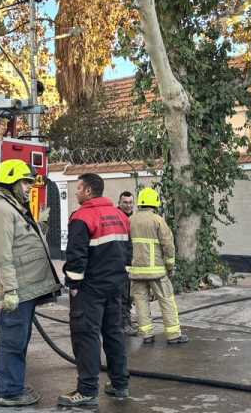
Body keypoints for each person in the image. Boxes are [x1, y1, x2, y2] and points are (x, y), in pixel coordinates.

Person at [0, 159, 61, 407]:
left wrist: (42, 225)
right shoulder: (0, 210)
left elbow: (24, 239)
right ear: (11, 182)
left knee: (17, 340)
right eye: (25, 182)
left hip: (25, 288)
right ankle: (11, 392)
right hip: (17, 290)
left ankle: (5, 385)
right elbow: (2, 255)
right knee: (14, 342)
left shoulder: (13, 206)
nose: (29, 187)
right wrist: (10, 291)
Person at [58, 173, 132, 407]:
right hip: (115, 287)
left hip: (90, 290)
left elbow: (76, 256)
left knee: (86, 337)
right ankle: (120, 385)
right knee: (114, 334)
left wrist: (74, 286)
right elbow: (128, 251)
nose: (76, 192)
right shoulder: (120, 215)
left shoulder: (82, 217)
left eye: (78, 188)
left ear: (88, 191)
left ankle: (88, 391)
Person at [128, 187, 189, 345]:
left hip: (136, 271)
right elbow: (168, 245)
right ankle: (173, 335)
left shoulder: (130, 220)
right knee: (166, 301)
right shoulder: (158, 220)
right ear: (155, 203)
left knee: (140, 302)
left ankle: (146, 335)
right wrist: (170, 266)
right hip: (157, 272)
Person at [117, 191, 138, 336]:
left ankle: (125, 322)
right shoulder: (117, 218)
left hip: (131, 264)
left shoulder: (134, 219)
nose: (128, 205)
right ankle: (123, 324)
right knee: (122, 296)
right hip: (120, 264)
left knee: (128, 296)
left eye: (130, 202)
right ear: (119, 203)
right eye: (125, 202)